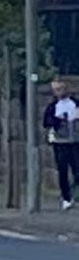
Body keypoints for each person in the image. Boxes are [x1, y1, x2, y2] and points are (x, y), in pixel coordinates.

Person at [43, 82, 79, 210]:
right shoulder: (53, 106)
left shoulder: (75, 103)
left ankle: (75, 195)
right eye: (56, 90)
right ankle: (66, 198)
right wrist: (58, 120)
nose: (60, 92)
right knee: (62, 171)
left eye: (61, 88)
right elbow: (46, 122)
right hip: (60, 142)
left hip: (75, 141)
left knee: (77, 170)